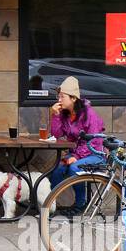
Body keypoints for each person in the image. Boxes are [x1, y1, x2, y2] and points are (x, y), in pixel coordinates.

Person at [47, 76, 107, 217]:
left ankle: (80, 203)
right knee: (57, 169)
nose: (59, 100)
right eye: (58, 96)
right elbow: (56, 134)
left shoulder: (89, 114)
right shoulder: (65, 114)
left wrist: (76, 156)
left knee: (75, 168)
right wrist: (55, 115)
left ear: (73, 98)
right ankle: (50, 205)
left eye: (62, 96)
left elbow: (94, 141)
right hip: (76, 154)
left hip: (95, 155)